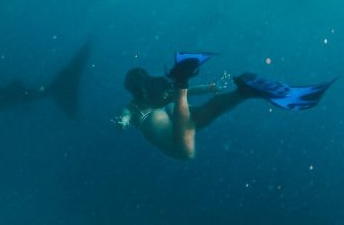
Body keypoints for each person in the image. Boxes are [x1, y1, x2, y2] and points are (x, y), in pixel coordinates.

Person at [115, 53, 334, 160]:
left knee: (186, 152)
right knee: (205, 112)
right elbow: (125, 116)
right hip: (175, 118)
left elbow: (125, 115)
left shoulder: (135, 105)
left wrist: (123, 122)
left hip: (172, 134)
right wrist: (210, 87)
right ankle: (243, 93)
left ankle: (182, 81)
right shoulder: (156, 96)